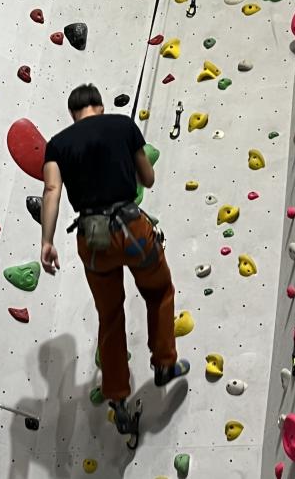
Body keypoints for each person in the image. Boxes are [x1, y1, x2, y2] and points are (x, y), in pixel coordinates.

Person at [39, 84, 189, 438]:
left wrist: (46, 240)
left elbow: (51, 191)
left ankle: (118, 400)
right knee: (159, 290)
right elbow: (147, 178)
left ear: (73, 113)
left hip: (93, 240)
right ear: (100, 107)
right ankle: (165, 362)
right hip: (132, 228)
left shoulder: (57, 145)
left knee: (110, 316)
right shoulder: (122, 125)